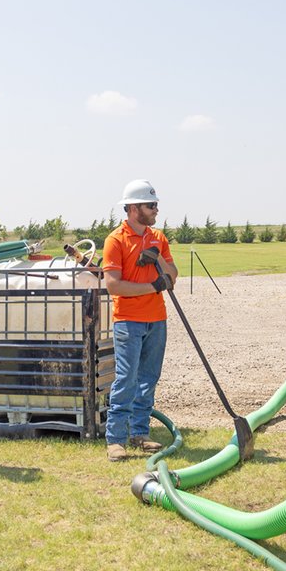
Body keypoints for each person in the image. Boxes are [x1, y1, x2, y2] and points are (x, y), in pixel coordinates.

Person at [101, 180, 178, 462]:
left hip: (157, 319)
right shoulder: (115, 241)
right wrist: (152, 286)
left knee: (148, 379)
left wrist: (159, 261)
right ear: (133, 209)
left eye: (155, 204)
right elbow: (114, 286)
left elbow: (173, 276)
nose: (156, 210)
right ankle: (116, 440)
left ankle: (140, 433)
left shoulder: (158, 237)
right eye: (150, 205)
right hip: (128, 321)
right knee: (126, 379)